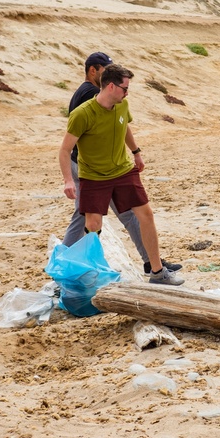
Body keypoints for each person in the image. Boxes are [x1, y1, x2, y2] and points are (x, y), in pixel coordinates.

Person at [58, 63, 184, 285]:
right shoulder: (82, 114)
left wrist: (136, 153)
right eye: (125, 88)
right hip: (94, 176)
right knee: (93, 225)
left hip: (124, 171)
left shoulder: (122, 106)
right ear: (110, 87)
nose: (127, 92)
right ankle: (91, 274)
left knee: (146, 214)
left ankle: (157, 272)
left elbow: (125, 126)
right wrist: (68, 180)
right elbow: (65, 149)